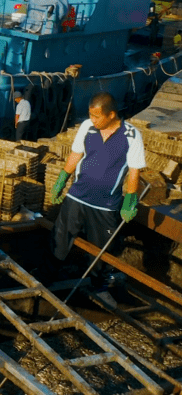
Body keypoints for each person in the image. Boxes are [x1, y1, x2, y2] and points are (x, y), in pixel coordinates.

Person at [49, 92, 145, 306]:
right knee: (60, 236)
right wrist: (62, 180)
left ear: (111, 114)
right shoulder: (87, 127)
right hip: (78, 196)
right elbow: (76, 155)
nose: (93, 120)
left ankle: (98, 287)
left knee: (102, 249)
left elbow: (134, 171)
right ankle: (49, 277)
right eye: (91, 115)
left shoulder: (131, 135)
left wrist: (130, 201)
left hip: (106, 205)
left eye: (97, 116)